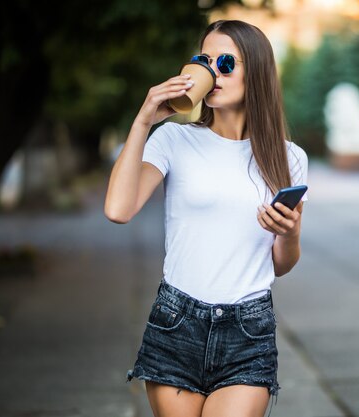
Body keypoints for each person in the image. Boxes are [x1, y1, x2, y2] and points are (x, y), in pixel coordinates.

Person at [104, 19, 308, 417]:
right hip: (176, 323)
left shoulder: (289, 158)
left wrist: (290, 233)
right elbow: (117, 210)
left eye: (226, 63)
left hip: (248, 329)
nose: (213, 72)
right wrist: (144, 120)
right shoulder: (173, 140)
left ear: (257, 73)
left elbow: (282, 264)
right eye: (204, 60)